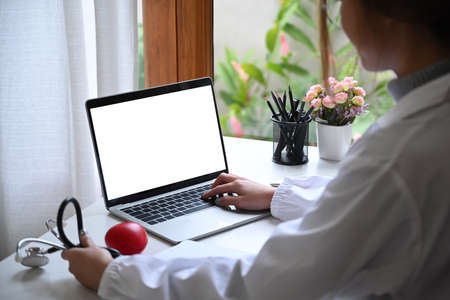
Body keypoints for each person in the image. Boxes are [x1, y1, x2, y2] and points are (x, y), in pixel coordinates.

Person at [62, 0, 450, 299]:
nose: (341, 19)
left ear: (388, 13)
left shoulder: (397, 155)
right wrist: (279, 196)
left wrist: (114, 276)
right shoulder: (422, 134)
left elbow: (262, 285)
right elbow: (373, 210)